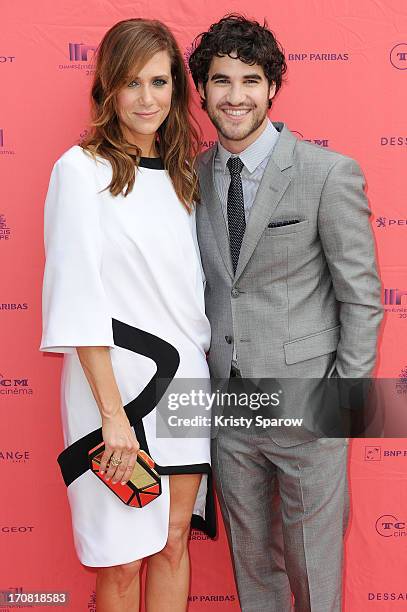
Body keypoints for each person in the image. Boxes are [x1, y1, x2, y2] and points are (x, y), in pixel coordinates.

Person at [189, 14, 383, 612]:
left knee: (313, 570)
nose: (235, 96)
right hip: (230, 405)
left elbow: (362, 296)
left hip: (309, 405)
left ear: (272, 87)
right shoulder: (191, 177)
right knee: (254, 567)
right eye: (221, 81)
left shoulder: (328, 174)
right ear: (202, 91)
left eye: (250, 80)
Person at [40, 18, 215, 612]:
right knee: (120, 562)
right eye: (132, 83)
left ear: (176, 90)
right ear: (108, 88)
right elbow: (77, 298)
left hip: (185, 383)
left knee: (170, 545)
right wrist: (113, 417)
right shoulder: (79, 170)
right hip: (111, 394)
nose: (147, 99)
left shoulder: (187, 175)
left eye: (160, 82)